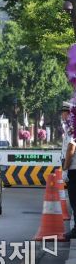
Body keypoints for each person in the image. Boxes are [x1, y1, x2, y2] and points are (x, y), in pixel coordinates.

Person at [61, 101, 76, 238]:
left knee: (74, 201)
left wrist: (65, 168)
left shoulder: (72, 128)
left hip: (73, 169)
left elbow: (71, 148)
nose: (62, 115)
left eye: (64, 112)